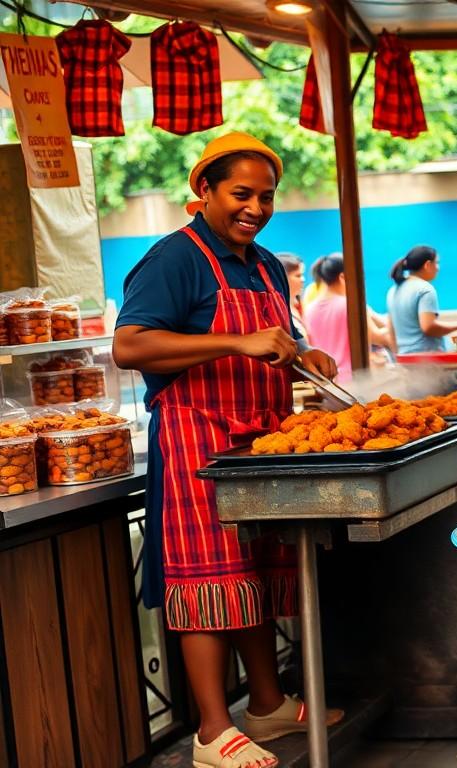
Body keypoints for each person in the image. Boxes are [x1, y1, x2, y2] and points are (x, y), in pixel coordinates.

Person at [112, 132, 343, 768]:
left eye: (266, 196)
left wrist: (305, 357)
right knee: (207, 582)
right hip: (196, 442)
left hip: (259, 440)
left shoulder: (266, 264)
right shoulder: (173, 259)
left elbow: (279, 340)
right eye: (241, 193)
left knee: (256, 577)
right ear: (203, 191)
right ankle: (213, 731)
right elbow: (129, 346)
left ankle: (266, 705)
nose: (255, 207)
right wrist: (236, 343)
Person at [303, 254, 396, 381]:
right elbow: (377, 337)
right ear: (342, 277)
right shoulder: (351, 305)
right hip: (355, 379)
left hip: (328, 380)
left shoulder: (310, 308)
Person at [385, 245, 457, 355]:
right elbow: (428, 327)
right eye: (437, 263)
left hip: (405, 359)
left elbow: (391, 330)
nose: (438, 268)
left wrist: (399, 358)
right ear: (427, 265)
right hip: (428, 360)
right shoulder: (425, 289)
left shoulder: (393, 290)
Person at [275, 253, 307, 338]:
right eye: (298, 275)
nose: (303, 279)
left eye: (302, 275)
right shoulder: (277, 311)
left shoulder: (299, 305)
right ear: (282, 278)